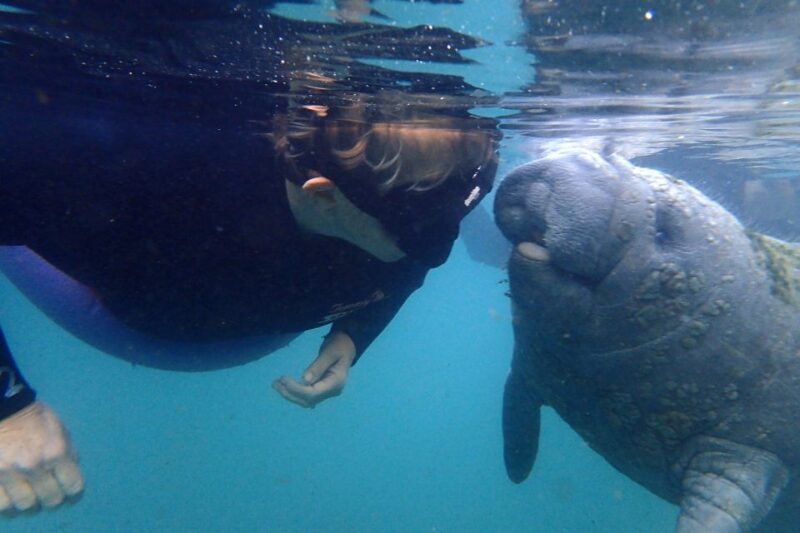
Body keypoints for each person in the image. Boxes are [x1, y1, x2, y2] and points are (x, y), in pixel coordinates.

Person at [0, 95, 500, 512]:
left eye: (459, 212)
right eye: (423, 231)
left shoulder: (401, 203)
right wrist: (10, 410)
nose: (440, 246)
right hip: (119, 322)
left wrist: (353, 335)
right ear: (324, 196)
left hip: (258, 315)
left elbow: (412, 256)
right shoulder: (154, 175)